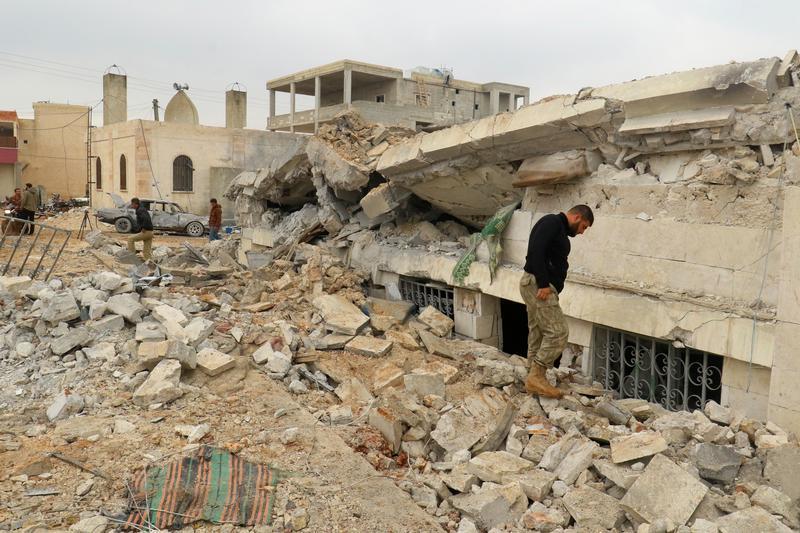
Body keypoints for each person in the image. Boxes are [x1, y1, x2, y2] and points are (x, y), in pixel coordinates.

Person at [520, 204, 593, 398]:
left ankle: (531, 375)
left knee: (538, 330)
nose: (582, 232)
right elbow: (535, 251)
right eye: (584, 226)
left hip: (535, 284)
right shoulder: (552, 222)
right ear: (577, 217)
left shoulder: (557, 227)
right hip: (539, 285)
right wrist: (544, 283)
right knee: (558, 332)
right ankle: (537, 375)